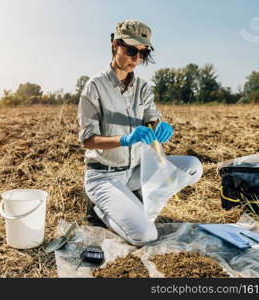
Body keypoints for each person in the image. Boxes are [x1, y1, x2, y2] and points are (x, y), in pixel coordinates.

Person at [77, 20, 203, 247]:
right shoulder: (94, 87)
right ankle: (100, 209)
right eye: (131, 50)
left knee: (194, 166)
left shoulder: (143, 88)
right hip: (104, 175)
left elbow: (151, 119)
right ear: (116, 45)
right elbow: (88, 140)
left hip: (135, 170)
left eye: (143, 53)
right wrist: (125, 139)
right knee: (146, 236)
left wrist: (159, 126)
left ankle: (134, 197)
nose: (137, 58)